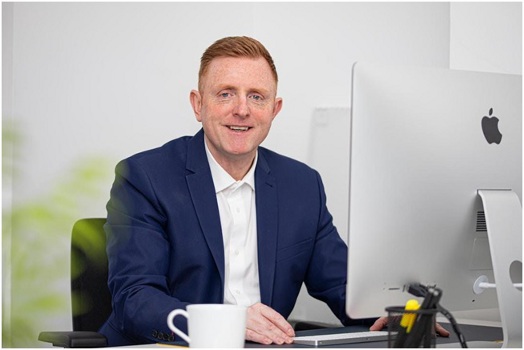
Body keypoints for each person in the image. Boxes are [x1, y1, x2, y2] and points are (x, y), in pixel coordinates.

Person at [99, 36, 448, 346]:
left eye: (256, 96)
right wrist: (228, 324)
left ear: (274, 109)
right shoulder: (145, 177)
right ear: (198, 104)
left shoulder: (301, 184)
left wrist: (390, 316)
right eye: (225, 94)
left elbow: (341, 284)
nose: (242, 109)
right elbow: (136, 299)